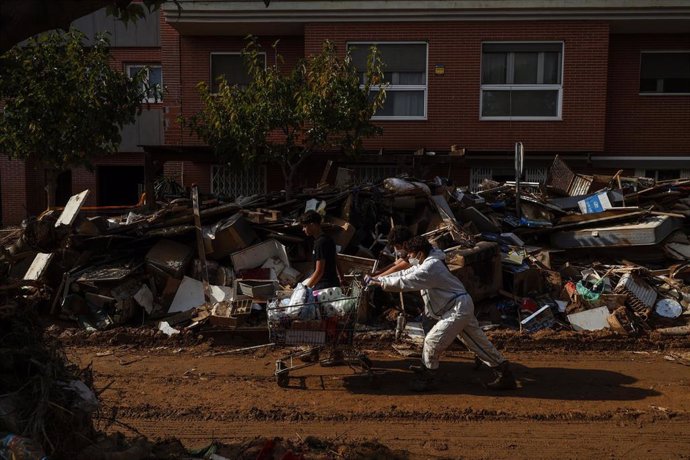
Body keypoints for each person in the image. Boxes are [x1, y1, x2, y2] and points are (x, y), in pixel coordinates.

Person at [369, 236, 517, 392]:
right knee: (477, 343)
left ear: (419, 254)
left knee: (432, 341)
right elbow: (403, 275)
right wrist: (378, 278)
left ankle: (428, 377)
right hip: (458, 306)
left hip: (456, 309)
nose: (408, 258)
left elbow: (405, 282)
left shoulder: (430, 267)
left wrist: (379, 283)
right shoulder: (425, 263)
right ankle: (504, 373)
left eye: (411, 254)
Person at [299, 210, 344, 290]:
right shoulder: (329, 239)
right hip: (334, 284)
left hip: (324, 288)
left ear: (312, 225)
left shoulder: (320, 243)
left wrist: (305, 289)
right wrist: (342, 278)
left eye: (305, 226)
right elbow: (336, 260)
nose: (303, 229)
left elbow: (319, 271)